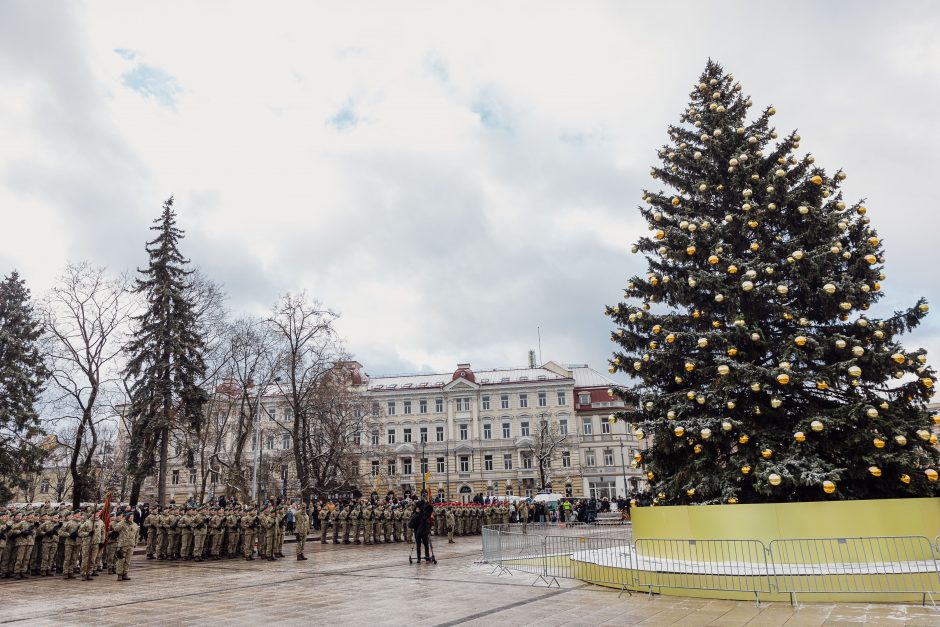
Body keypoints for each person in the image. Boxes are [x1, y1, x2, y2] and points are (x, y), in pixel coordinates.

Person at [409, 499, 432, 563]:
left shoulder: (424, 514)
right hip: (417, 532)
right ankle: (418, 558)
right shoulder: (415, 514)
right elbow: (411, 524)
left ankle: (427, 557)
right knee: (418, 546)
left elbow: (427, 519)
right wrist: (417, 514)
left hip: (424, 532)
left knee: (426, 545)